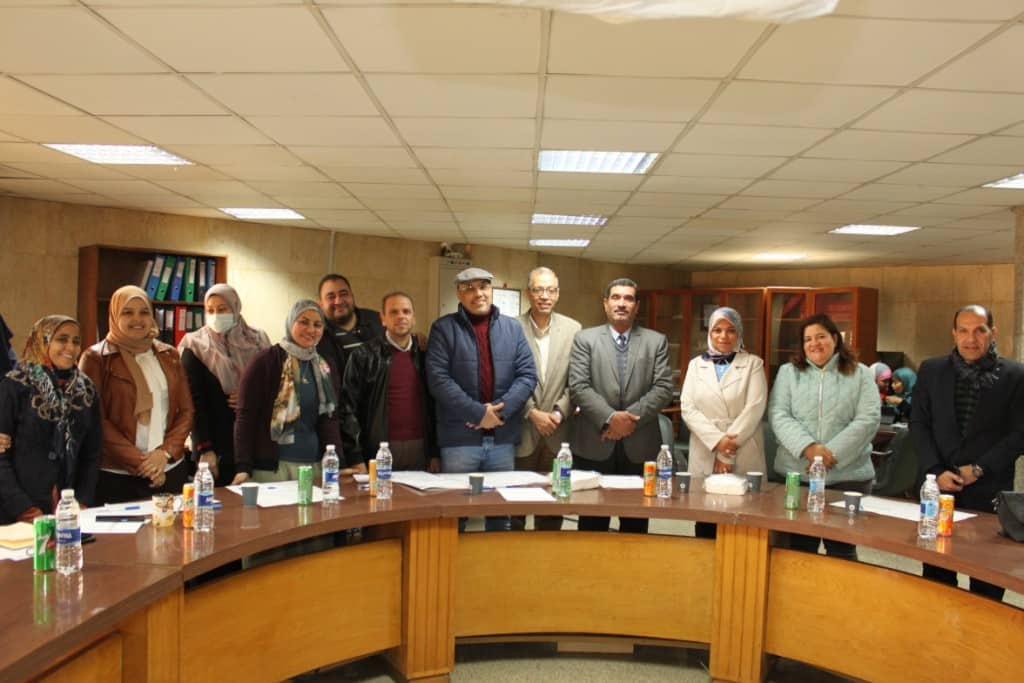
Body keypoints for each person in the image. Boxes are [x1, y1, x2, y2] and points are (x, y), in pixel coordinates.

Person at [912, 305, 1024, 601]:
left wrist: (979, 468)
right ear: (954, 333)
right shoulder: (932, 370)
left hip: (988, 487)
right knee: (936, 575)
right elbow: (919, 425)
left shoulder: (1016, 375)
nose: (970, 338)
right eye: (963, 330)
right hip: (938, 487)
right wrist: (935, 471)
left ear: (992, 332)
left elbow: (1019, 435)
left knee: (987, 576)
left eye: (979, 330)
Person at [425, 267, 536, 532]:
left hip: (502, 439)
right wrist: (477, 413)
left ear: (491, 290)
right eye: (469, 288)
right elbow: (438, 380)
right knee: (455, 514)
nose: (478, 294)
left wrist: (498, 413)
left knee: (500, 514)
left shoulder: (512, 328)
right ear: (458, 294)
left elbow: (527, 375)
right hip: (459, 441)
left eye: (483, 287)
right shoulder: (443, 328)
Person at [769, 313, 878, 561]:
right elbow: (778, 414)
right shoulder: (788, 373)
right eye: (807, 339)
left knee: (842, 551)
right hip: (798, 475)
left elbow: (868, 419)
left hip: (847, 477)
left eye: (820, 336)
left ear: (835, 339)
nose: (814, 343)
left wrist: (828, 455)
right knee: (798, 548)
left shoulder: (861, 373)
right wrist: (809, 449)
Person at [569, 278, 673, 534]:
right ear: (605, 304)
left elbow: (663, 388)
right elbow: (578, 386)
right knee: (591, 524)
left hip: (640, 445)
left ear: (637, 306)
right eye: (616, 297)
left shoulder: (656, 341)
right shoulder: (585, 339)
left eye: (628, 298)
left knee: (635, 523)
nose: (622, 303)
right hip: (594, 442)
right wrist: (610, 419)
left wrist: (627, 421)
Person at [79, 286, 194, 503]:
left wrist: (164, 453)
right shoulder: (95, 358)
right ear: (115, 315)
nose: (137, 319)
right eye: (127, 312)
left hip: (169, 469)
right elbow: (96, 420)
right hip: (117, 475)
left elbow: (186, 411)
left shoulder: (169, 354)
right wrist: (143, 463)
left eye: (144, 312)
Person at [233, 300, 351, 484]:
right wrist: (243, 467)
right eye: (303, 322)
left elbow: (330, 419)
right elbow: (245, 417)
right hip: (272, 469)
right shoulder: (266, 361)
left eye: (317, 325)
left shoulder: (325, 366)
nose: (311, 330)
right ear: (290, 323)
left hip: (315, 466)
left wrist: (339, 463)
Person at [0, 316, 100, 524]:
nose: (70, 348)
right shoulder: (15, 385)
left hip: (70, 511)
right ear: (42, 341)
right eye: (62, 339)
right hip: (18, 512)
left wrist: (82, 502)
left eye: (76, 341)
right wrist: (25, 509)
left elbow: (92, 453)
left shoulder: (87, 390)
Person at [680, 306, 767, 539]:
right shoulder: (695, 365)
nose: (723, 336)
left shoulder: (753, 364)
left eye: (730, 330)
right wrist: (718, 442)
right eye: (717, 330)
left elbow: (754, 408)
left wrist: (726, 452)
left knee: (743, 518)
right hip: (705, 447)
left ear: (739, 333)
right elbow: (688, 407)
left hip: (742, 446)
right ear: (709, 333)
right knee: (705, 518)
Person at [178, 284, 270, 486]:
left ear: (236, 308)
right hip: (216, 447)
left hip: (256, 441)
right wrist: (205, 449)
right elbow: (193, 402)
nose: (215, 316)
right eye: (210, 310)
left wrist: (249, 396)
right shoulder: (194, 345)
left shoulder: (259, 341)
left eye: (222, 309)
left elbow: (274, 386)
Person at [514, 267, 581, 531]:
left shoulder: (574, 329)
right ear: (528, 293)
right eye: (539, 289)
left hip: (558, 432)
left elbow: (577, 380)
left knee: (552, 506)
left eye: (551, 290)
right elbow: (506, 379)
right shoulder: (511, 328)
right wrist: (531, 412)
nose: (545, 296)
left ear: (558, 294)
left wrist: (557, 413)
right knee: (515, 506)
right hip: (522, 430)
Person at [341, 291, 438, 472]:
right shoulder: (363, 355)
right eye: (394, 312)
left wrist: (435, 452)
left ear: (414, 318)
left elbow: (435, 406)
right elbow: (347, 409)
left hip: (420, 448)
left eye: (406, 311)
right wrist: (355, 456)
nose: (401, 316)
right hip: (379, 449)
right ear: (383, 318)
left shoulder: (426, 355)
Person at [316, 273, 384, 377]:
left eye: (343, 294)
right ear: (320, 304)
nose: (338, 301)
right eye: (331, 297)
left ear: (352, 296)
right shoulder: (316, 334)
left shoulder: (378, 321)